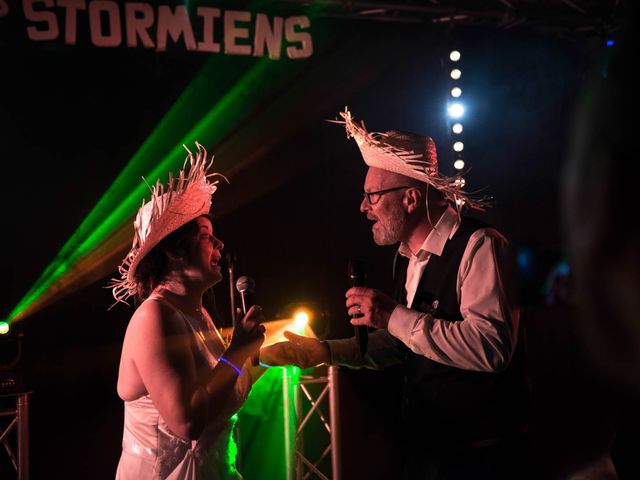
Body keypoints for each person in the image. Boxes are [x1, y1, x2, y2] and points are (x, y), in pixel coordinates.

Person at [261, 109, 528, 479]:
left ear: (410, 199)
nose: (363, 207)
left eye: (372, 195)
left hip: (483, 459)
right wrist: (325, 351)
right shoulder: (407, 259)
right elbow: (407, 343)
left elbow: (491, 348)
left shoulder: (479, 246)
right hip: (429, 453)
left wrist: (392, 316)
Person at [110, 142, 266, 479]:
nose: (220, 245)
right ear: (176, 252)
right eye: (206, 235)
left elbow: (221, 388)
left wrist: (271, 354)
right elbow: (186, 422)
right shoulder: (154, 317)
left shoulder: (199, 316)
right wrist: (238, 349)